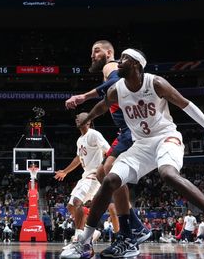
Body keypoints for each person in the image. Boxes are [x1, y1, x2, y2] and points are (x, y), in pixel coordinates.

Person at [61, 49, 204, 259]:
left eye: (125, 60)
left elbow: (186, 104)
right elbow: (101, 107)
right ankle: (84, 243)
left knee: (167, 174)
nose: (119, 63)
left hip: (166, 138)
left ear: (137, 65)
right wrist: (86, 118)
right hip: (141, 145)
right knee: (109, 179)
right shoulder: (117, 89)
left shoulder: (156, 83)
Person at [64, 40, 150, 245]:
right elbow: (111, 95)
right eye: (92, 52)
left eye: (96, 51)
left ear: (109, 52)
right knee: (104, 174)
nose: (93, 55)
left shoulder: (110, 65)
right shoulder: (111, 73)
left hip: (131, 129)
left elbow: (113, 83)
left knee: (110, 172)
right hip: (125, 130)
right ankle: (136, 227)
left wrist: (83, 96)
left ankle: (130, 230)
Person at [54, 113, 110, 239]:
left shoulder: (94, 134)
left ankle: (80, 236)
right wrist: (65, 171)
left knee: (77, 201)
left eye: (80, 117)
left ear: (88, 121)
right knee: (70, 206)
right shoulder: (80, 140)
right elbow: (79, 158)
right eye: (76, 117)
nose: (77, 118)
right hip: (85, 176)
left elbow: (109, 151)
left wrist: (103, 169)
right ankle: (91, 232)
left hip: (94, 176)